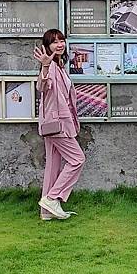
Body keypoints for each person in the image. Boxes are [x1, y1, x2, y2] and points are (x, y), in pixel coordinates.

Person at [34, 28, 85, 221]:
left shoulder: (60, 65)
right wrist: (45, 67)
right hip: (57, 124)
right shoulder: (50, 66)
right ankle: (52, 198)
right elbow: (42, 86)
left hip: (56, 123)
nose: (60, 44)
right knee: (77, 159)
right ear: (47, 46)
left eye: (61, 40)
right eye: (54, 42)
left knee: (53, 165)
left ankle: (46, 212)